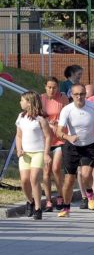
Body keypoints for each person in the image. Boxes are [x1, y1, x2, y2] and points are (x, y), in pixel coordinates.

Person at [57, 84, 94, 217]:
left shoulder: (93, 107)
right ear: (71, 95)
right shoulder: (66, 110)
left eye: (82, 94)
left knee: (86, 175)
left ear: (85, 94)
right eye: (76, 95)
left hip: (89, 145)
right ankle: (66, 208)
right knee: (69, 179)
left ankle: (90, 193)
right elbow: (58, 131)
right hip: (72, 147)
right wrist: (68, 136)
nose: (79, 97)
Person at [17, 91, 54, 220]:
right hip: (25, 153)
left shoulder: (40, 119)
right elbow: (19, 135)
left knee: (34, 179)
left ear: (29, 102)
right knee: (24, 180)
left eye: (22, 100)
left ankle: (38, 208)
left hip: (38, 152)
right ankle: (30, 201)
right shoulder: (21, 117)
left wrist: (46, 153)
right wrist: (19, 149)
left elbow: (49, 136)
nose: (20, 102)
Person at [41, 77, 68, 213]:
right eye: (49, 87)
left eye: (54, 87)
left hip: (59, 139)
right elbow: (37, 115)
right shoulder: (41, 99)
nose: (52, 90)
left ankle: (60, 196)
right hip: (45, 140)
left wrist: (60, 124)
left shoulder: (62, 98)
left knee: (56, 168)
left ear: (58, 88)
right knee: (46, 170)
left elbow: (68, 114)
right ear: (45, 87)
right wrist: (47, 122)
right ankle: (48, 200)